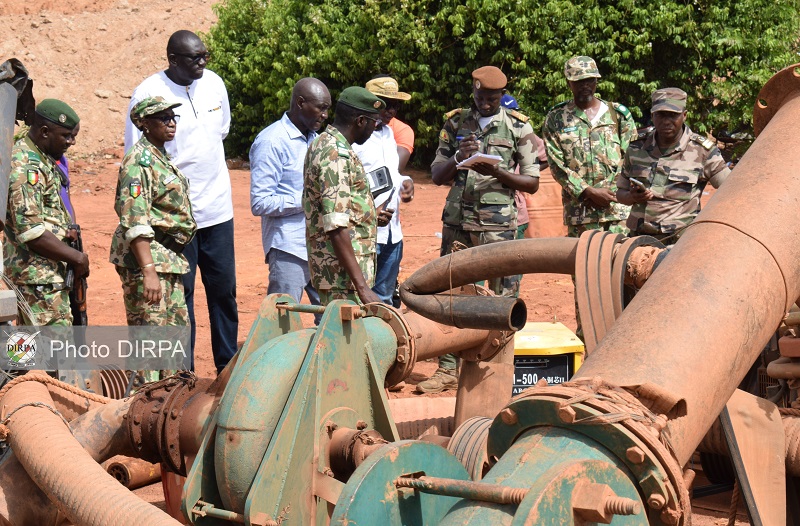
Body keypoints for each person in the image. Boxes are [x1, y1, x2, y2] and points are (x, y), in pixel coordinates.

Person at [125, 30, 237, 373]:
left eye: (206, 55)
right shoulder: (148, 93)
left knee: (223, 294)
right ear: (173, 60)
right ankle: (183, 376)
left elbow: (222, 131)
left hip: (217, 211)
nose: (203, 62)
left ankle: (227, 368)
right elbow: (138, 155)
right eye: (194, 58)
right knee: (180, 299)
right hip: (173, 222)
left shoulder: (215, 84)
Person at [423, 66, 539, 394]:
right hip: (458, 222)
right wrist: (458, 158)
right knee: (449, 293)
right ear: (472, 91)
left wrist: (497, 172)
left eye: (491, 98)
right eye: (480, 97)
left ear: (502, 96)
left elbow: (531, 182)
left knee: (502, 297)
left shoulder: (519, 127)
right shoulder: (456, 122)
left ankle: (497, 371)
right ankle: (447, 369)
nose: (485, 103)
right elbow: (436, 175)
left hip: (499, 225)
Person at [110, 96, 197, 326]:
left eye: (173, 117)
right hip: (147, 262)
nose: (171, 123)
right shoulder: (139, 161)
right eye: (163, 118)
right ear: (144, 124)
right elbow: (135, 219)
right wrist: (148, 271)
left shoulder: (160, 157)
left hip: (167, 258)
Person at [250, 78, 331, 317]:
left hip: (320, 246)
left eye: (327, 109)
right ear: (300, 103)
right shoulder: (271, 141)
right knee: (282, 321)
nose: (325, 115)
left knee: (330, 320)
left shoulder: (315, 139)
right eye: (321, 108)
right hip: (288, 248)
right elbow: (260, 201)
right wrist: (308, 200)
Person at [4, 99, 89, 326]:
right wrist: (77, 258)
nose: (71, 142)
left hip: (40, 273)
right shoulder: (27, 166)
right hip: (37, 276)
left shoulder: (41, 156)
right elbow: (31, 232)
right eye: (66, 135)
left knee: (26, 348)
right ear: (44, 131)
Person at [302, 87, 386, 306]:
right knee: (347, 339)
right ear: (360, 121)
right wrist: (362, 288)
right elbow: (336, 225)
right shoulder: (336, 154)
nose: (374, 129)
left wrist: (370, 215)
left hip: (342, 276)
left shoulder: (323, 143)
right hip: (343, 280)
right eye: (373, 123)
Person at [616, 88, 730, 242]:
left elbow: (731, 189)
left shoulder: (702, 151)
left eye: (673, 115)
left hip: (681, 245)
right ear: (652, 115)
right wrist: (632, 197)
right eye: (661, 115)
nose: (666, 121)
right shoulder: (637, 148)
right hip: (639, 240)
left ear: (684, 115)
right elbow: (620, 193)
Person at [543, 55, 637, 237]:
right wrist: (588, 191)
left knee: (621, 262)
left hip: (617, 210)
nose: (585, 86)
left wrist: (609, 192)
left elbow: (632, 158)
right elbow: (556, 165)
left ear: (596, 80)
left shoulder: (618, 114)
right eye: (578, 81)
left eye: (589, 80)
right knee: (584, 263)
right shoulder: (556, 118)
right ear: (568, 82)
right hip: (580, 214)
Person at [352, 76, 415, 306]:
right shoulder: (354, 138)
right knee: (360, 300)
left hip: (392, 233)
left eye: (396, 105)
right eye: (386, 104)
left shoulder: (388, 134)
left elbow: (391, 174)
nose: (391, 110)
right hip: (366, 234)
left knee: (385, 300)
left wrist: (406, 182)